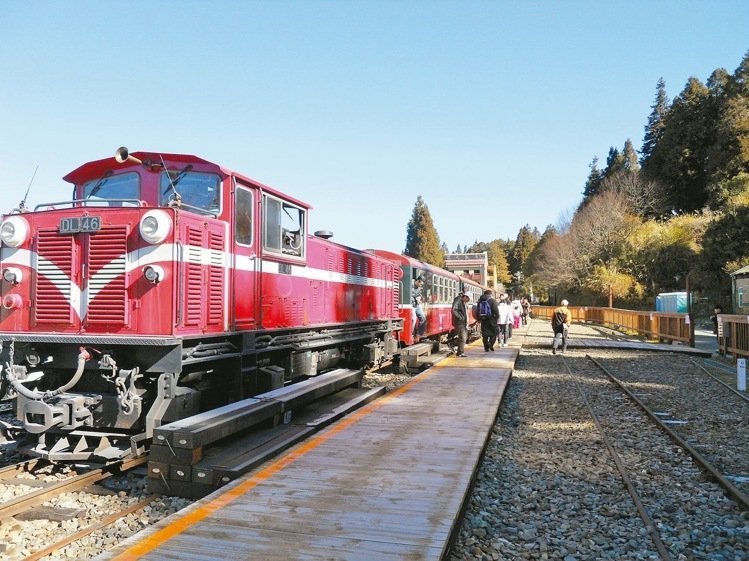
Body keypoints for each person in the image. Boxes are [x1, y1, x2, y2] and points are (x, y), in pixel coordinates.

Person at [451, 292, 471, 357]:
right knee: (463, 337)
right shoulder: (458, 300)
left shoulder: (462, 302)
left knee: (464, 337)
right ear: (465, 297)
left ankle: (459, 351)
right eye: (468, 299)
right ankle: (459, 352)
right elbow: (454, 309)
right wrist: (461, 317)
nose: (468, 301)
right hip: (459, 322)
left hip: (462, 322)